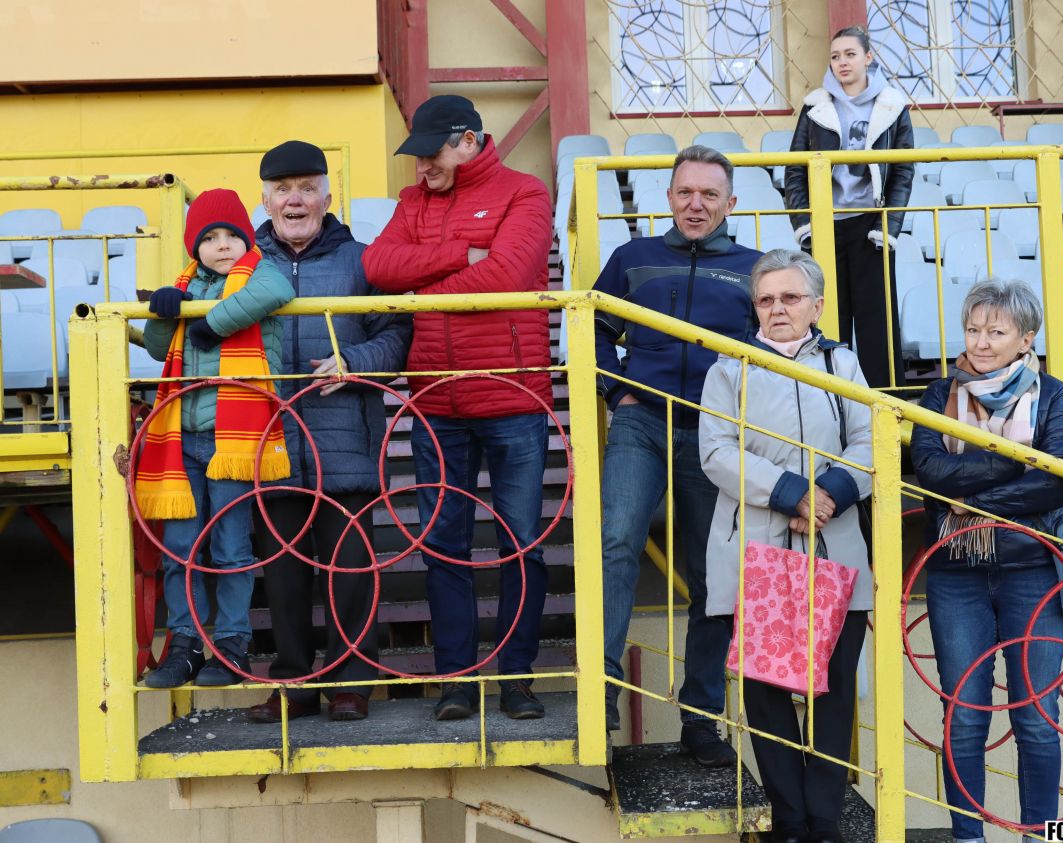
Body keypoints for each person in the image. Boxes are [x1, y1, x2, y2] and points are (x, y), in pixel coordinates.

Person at [362, 95, 554, 721]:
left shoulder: (524, 192)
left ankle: (516, 679)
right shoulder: (412, 201)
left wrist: (420, 287)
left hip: (512, 399)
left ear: (469, 140)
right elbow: (377, 266)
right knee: (443, 547)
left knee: (520, 545)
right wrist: (459, 256)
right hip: (436, 403)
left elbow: (508, 275)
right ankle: (457, 682)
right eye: (417, 156)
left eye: (432, 153)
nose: (422, 167)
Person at [699, 249, 872, 843]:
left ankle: (823, 820)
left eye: (790, 297)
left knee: (835, 687)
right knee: (766, 690)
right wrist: (792, 493)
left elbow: (870, 439)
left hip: (834, 545)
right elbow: (716, 451)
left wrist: (827, 495)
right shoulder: (730, 367)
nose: (777, 308)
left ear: (816, 306)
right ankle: (790, 820)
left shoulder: (843, 364)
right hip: (755, 550)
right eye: (766, 299)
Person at [595, 145, 760, 767]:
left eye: (709, 195)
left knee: (712, 577)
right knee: (617, 540)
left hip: (714, 434)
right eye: (685, 193)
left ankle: (702, 719)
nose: (696, 205)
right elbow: (592, 330)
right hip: (641, 423)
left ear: (730, 203)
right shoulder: (631, 258)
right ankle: (603, 693)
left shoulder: (753, 269)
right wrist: (616, 391)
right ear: (668, 197)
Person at [244, 141, 411, 724]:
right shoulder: (242, 266)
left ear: (327, 196)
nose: (295, 200)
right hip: (271, 444)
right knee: (283, 578)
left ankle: (353, 683)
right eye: (283, 189)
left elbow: (396, 338)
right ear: (265, 199)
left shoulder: (364, 262)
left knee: (351, 575)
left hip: (347, 444)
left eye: (307, 188)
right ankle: (293, 684)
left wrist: (354, 362)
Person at [909, 278, 1063, 842]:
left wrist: (976, 500)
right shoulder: (940, 394)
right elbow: (930, 472)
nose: (980, 343)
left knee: (1037, 718)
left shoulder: (1052, 394)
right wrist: (1013, 462)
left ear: (1026, 338)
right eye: (972, 330)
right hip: (956, 573)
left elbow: (1061, 479)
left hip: (1033, 569)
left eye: (996, 332)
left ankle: (1039, 834)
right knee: (964, 716)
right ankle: (968, 837)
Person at [138, 188, 295, 689]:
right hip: (182, 438)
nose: (222, 245)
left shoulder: (261, 271)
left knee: (230, 548)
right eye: (209, 238)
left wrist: (210, 322)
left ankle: (231, 645)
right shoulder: (184, 284)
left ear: (247, 240)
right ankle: (184, 645)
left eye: (231, 235)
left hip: (235, 440)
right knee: (180, 549)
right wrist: (165, 310)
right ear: (195, 247)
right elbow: (158, 348)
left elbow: (276, 291)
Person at [785, 25, 914, 390]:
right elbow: (794, 169)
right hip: (825, 224)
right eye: (835, 56)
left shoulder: (892, 106)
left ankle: (886, 405)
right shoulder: (815, 106)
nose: (842, 62)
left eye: (850, 54)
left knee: (878, 325)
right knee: (828, 320)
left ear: (868, 57)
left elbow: (902, 171)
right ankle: (831, 400)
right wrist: (805, 225)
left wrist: (888, 226)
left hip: (871, 225)